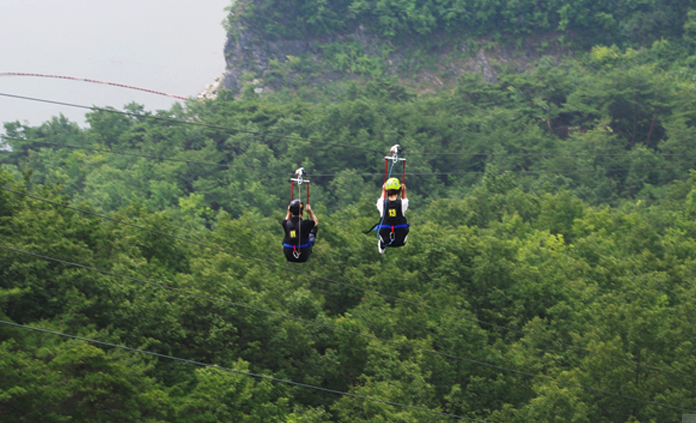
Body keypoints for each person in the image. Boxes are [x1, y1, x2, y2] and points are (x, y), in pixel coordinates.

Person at [376, 177, 409, 254]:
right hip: (400, 239)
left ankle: (382, 244)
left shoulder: (381, 204)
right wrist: (404, 191)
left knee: (383, 224)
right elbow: (405, 200)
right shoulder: (402, 204)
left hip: (385, 236)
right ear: (399, 191)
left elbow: (381, 199)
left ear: (387, 191)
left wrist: (383, 190)